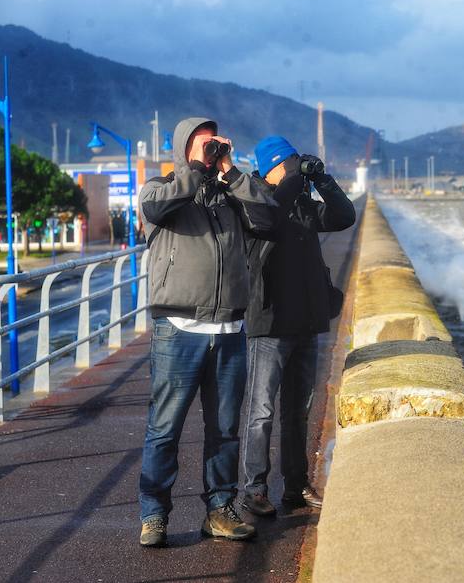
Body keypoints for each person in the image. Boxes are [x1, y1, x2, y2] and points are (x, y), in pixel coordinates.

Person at [137, 117, 278, 547]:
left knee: (224, 430)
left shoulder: (230, 194)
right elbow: (155, 210)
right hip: (178, 328)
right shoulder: (159, 189)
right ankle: (154, 515)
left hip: (229, 327)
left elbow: (269, 218)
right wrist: (195, 169)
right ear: (184, 149)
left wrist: (231, 172)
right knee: (165, 428)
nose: (212, 151)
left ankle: (219, 509)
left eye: (216, 145)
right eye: (204, 145)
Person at [240, 136, 355, 516]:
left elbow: (343, 217)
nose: (294, 171)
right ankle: (254, 489)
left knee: (297, 412)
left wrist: (322, 179)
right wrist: (293, 178)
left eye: (295, 163)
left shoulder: (303, 204)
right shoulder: (254, 200)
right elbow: (270, 219)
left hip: (304, 322)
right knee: (261, 412)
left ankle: (295, 485)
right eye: (287, 164)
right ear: (270, 167)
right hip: (269, 323)